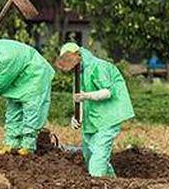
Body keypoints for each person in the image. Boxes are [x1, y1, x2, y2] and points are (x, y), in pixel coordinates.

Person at [54, 42, 134, 177]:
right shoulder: (78, 74)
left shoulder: (98, 66)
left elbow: (108, 92)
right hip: (92, 120)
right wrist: (76, 117)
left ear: (79, 56)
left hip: (109, 116)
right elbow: (79, 100)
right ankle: (113, 183)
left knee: (98, 161)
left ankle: (101, 188)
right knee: (89, 155)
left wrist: (86, 96)